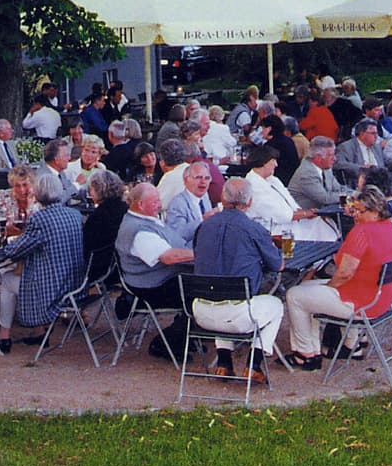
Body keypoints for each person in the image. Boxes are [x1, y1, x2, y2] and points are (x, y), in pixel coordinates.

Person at [284, 185, 392, 370]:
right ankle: (322, 348)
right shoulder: (389, 226)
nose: (354, 214)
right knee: (307, 288)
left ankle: (305, 354)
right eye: (353, 209)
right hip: (381, 298)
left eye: (358, 211)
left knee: (294, 295)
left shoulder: (363, 232)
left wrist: (330, 287)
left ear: (374, 211)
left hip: (360, 303)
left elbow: (344, 273)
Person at [190, 177, 285, 383]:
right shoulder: (253, 229)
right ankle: (254, 364)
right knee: (276, 305)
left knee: (219, 287)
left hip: (201, 311)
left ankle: (224, 363)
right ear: (249, 202)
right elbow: (277, 265)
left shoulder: (203, 227)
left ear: (223, 198)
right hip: (239, 315)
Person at [0, 171, 85, 352]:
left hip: (54, 290)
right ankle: (39, 332)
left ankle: (4, 336)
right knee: (32, 270)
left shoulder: (40, 219)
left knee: (7, 281)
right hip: (75, 284)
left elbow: (15, 252)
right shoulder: (74, 214)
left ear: (37, 193)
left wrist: (7, 239)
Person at [115, 182, 196, 362]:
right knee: (203, 291)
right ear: (140, 204)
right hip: (150, 287)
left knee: (202, 283)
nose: (159, 205)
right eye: (155, 201)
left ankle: (185, 335)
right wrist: (203, 255)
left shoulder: (146, 219)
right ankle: (165, 342)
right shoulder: (138, 230)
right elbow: (169, 257)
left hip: (163, 277)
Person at [244, 145, 328, 240]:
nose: (276, 164)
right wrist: (305, 214)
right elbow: (280, 215)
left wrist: (306, 213)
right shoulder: (253, 186)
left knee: (325, 223)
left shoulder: (273, 180)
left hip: (290, 222)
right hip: (275, 230)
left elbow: (292, 205)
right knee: (322, 229)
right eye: (273, 161)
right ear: (264, 162)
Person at [82, 170, 127, 282]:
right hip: (115, 264)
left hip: (96, 268)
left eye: (91, 189)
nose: (90, 193)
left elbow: (86, 244)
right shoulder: (124, 208)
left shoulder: (98, 216)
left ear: (98, 190)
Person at [288, 136, 353, 211]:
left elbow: (338, 188)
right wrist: (351, 198)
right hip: (306, 217)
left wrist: (356, 194)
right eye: (330, 155)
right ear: (318, 157)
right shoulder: (306, 174)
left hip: (324, 212)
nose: (334, 158)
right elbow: (325, 199)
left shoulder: (326, 168)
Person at [165, 160, 215, 244]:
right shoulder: (178, 203)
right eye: (198, 177)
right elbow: (177, 235)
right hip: (189, 252)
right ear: (186, 180)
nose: (203, 182)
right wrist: (203, 219)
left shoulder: (205, 197)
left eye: (207, 178)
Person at [0, 164, 39, 229]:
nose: (22, 190)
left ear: (33, 184)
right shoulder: (3, 196)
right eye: (17, 185)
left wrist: (29, 206)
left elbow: (36, 225)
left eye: (25, 185)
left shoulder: (40, 198)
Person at [257, 116, 300, 184]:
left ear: (269, 129)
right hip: (293, 179)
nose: (262, 131)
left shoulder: (271, 145)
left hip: (279, 180)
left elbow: (265, 167)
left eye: (263, 128)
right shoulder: (288, 140)